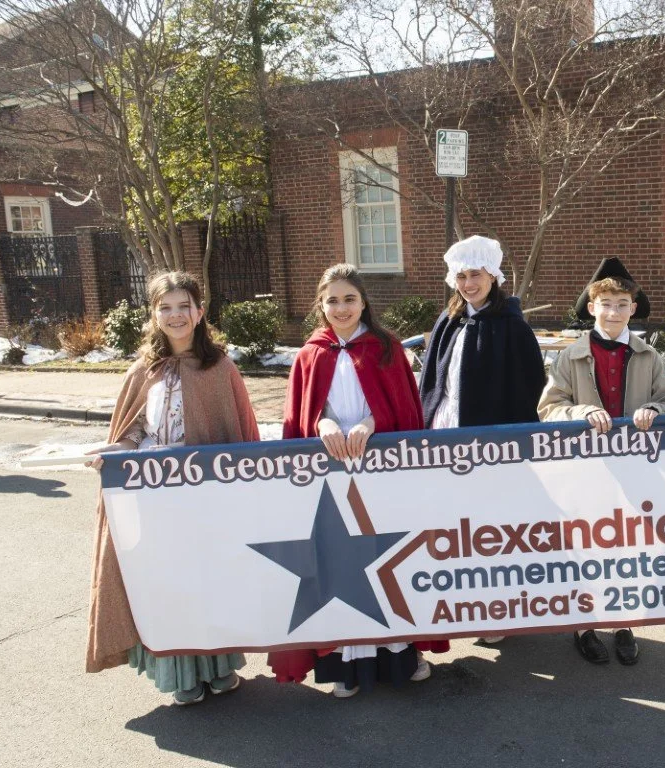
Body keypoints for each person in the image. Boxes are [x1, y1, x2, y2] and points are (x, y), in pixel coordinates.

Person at [267, 263, 448, 696]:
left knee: (386, 560)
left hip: (380, 476)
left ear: (364, 301)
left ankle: (401, 656)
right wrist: (322, 424)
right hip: (330, 479)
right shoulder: (310, 353)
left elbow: (405, 407)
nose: (341, 307)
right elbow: (300, 413)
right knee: (339, 567)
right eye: (332, 300)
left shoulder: (386, 348)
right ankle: (344, 667)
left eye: (349, 298)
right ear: (321, 304)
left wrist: (371, 422)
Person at [84, 271, 260, 705]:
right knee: (165, 584)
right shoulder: (145, 370)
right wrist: (110, 450)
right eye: (166, 307)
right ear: (154, 314)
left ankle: (218, 668)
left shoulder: (220, 368)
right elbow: (132, 431)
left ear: (200, 313)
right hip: (153, 498)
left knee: (207, 579)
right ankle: (180, 673)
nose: (176, 315)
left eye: (185, 306)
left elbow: (238, 433)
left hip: (204, 500)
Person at [538, 268, 665, 666]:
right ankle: (584, 625)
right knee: (584, 545)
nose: (614, 312)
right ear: (592, 308)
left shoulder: (649, 355)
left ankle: (623, 622)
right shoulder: (570, 355)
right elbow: (549, 409)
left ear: (633, 310)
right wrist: (582, 411)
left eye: (622, 305)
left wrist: (655, 408)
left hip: (634, 469)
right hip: (585, 469)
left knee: (626, 546)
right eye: (606, 305)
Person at [419, 235, 546, 644]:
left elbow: (531, 388)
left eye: (475, 274)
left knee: (488, 530)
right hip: (445, 433)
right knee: (451, 528)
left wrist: (512, 446)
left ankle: (495, 611)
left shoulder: (511, 325)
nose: (468, 283)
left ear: (493, 275)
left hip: (488, 446)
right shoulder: (449, 320)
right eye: (461, 275)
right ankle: (460, 605)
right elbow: (432, 380)